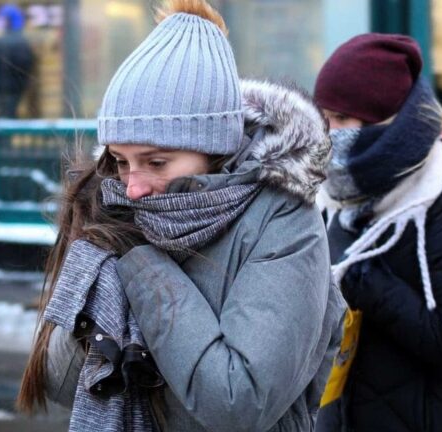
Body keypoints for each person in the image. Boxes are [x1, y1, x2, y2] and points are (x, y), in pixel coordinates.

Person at [18, 1, 344, 431]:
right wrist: (96, 271)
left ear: (214, 149)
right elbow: (60, 383)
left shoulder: (283, 221)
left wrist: (141, 264)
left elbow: (235, 402)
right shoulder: (120, 210)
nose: (133, 185)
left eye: (156, 163)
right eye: (120, 160)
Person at [313, 33, 442, 432]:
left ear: (386, 123)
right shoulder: (338, 199)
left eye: (342, 119)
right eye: (324, 117)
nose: (328, 132)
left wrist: (363, 280)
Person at [0, 4, 34, 118]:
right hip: (13, 91)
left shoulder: (3, 41)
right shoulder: (21, 41)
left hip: (4, 91)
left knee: (3, 120)